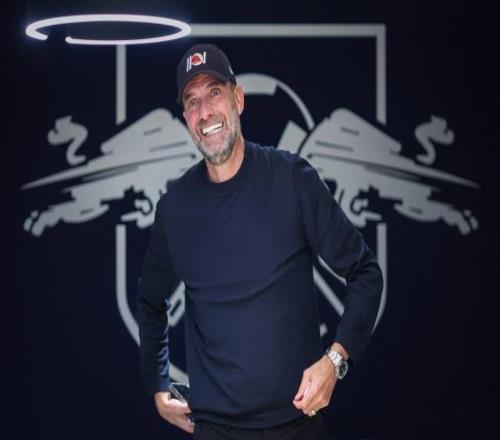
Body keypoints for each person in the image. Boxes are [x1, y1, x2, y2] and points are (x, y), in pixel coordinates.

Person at [137, 43, 383, 439]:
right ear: (186, 118)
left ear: (238, 98)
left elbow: (365, 273)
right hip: (215, 429)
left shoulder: (292, 180)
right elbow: (150, 301)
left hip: (297, 425)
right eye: (192, 101)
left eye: (214, 93)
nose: (205, 112)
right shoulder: (175, 208)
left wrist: (334, 361)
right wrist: (158, 385)